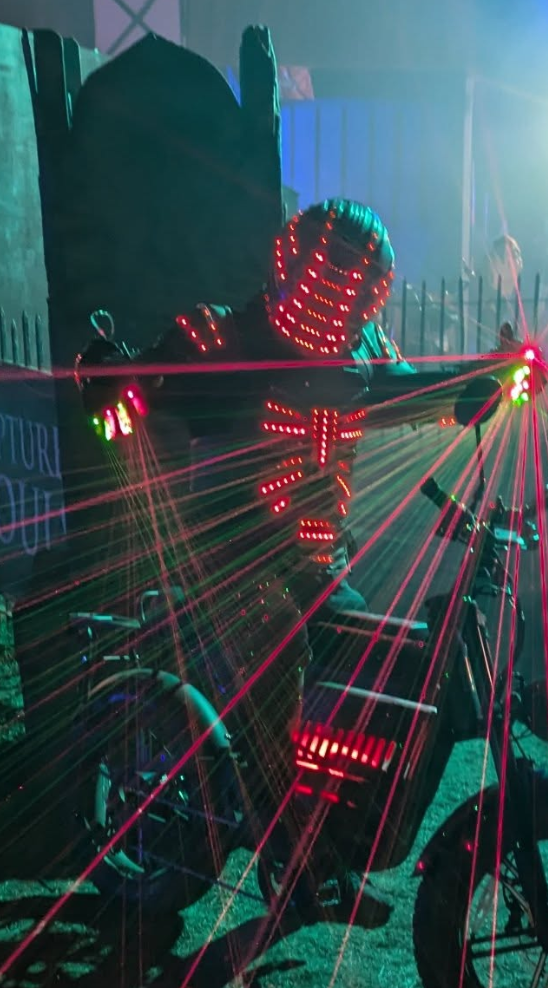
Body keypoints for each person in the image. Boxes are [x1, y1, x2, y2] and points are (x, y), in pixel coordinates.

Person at [79, 198, 518, 926]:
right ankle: (289, 849)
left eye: (361, 280)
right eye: (336, 272)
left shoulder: (365, 349)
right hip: (229, 561)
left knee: (385, 665)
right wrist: (116, 381)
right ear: (295, 262)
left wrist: (486, 382)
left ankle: (336, 826)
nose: (343, 292)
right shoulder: (221, 335)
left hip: (317, 560)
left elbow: (420, 393)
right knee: (279, 659)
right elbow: (136, 387)